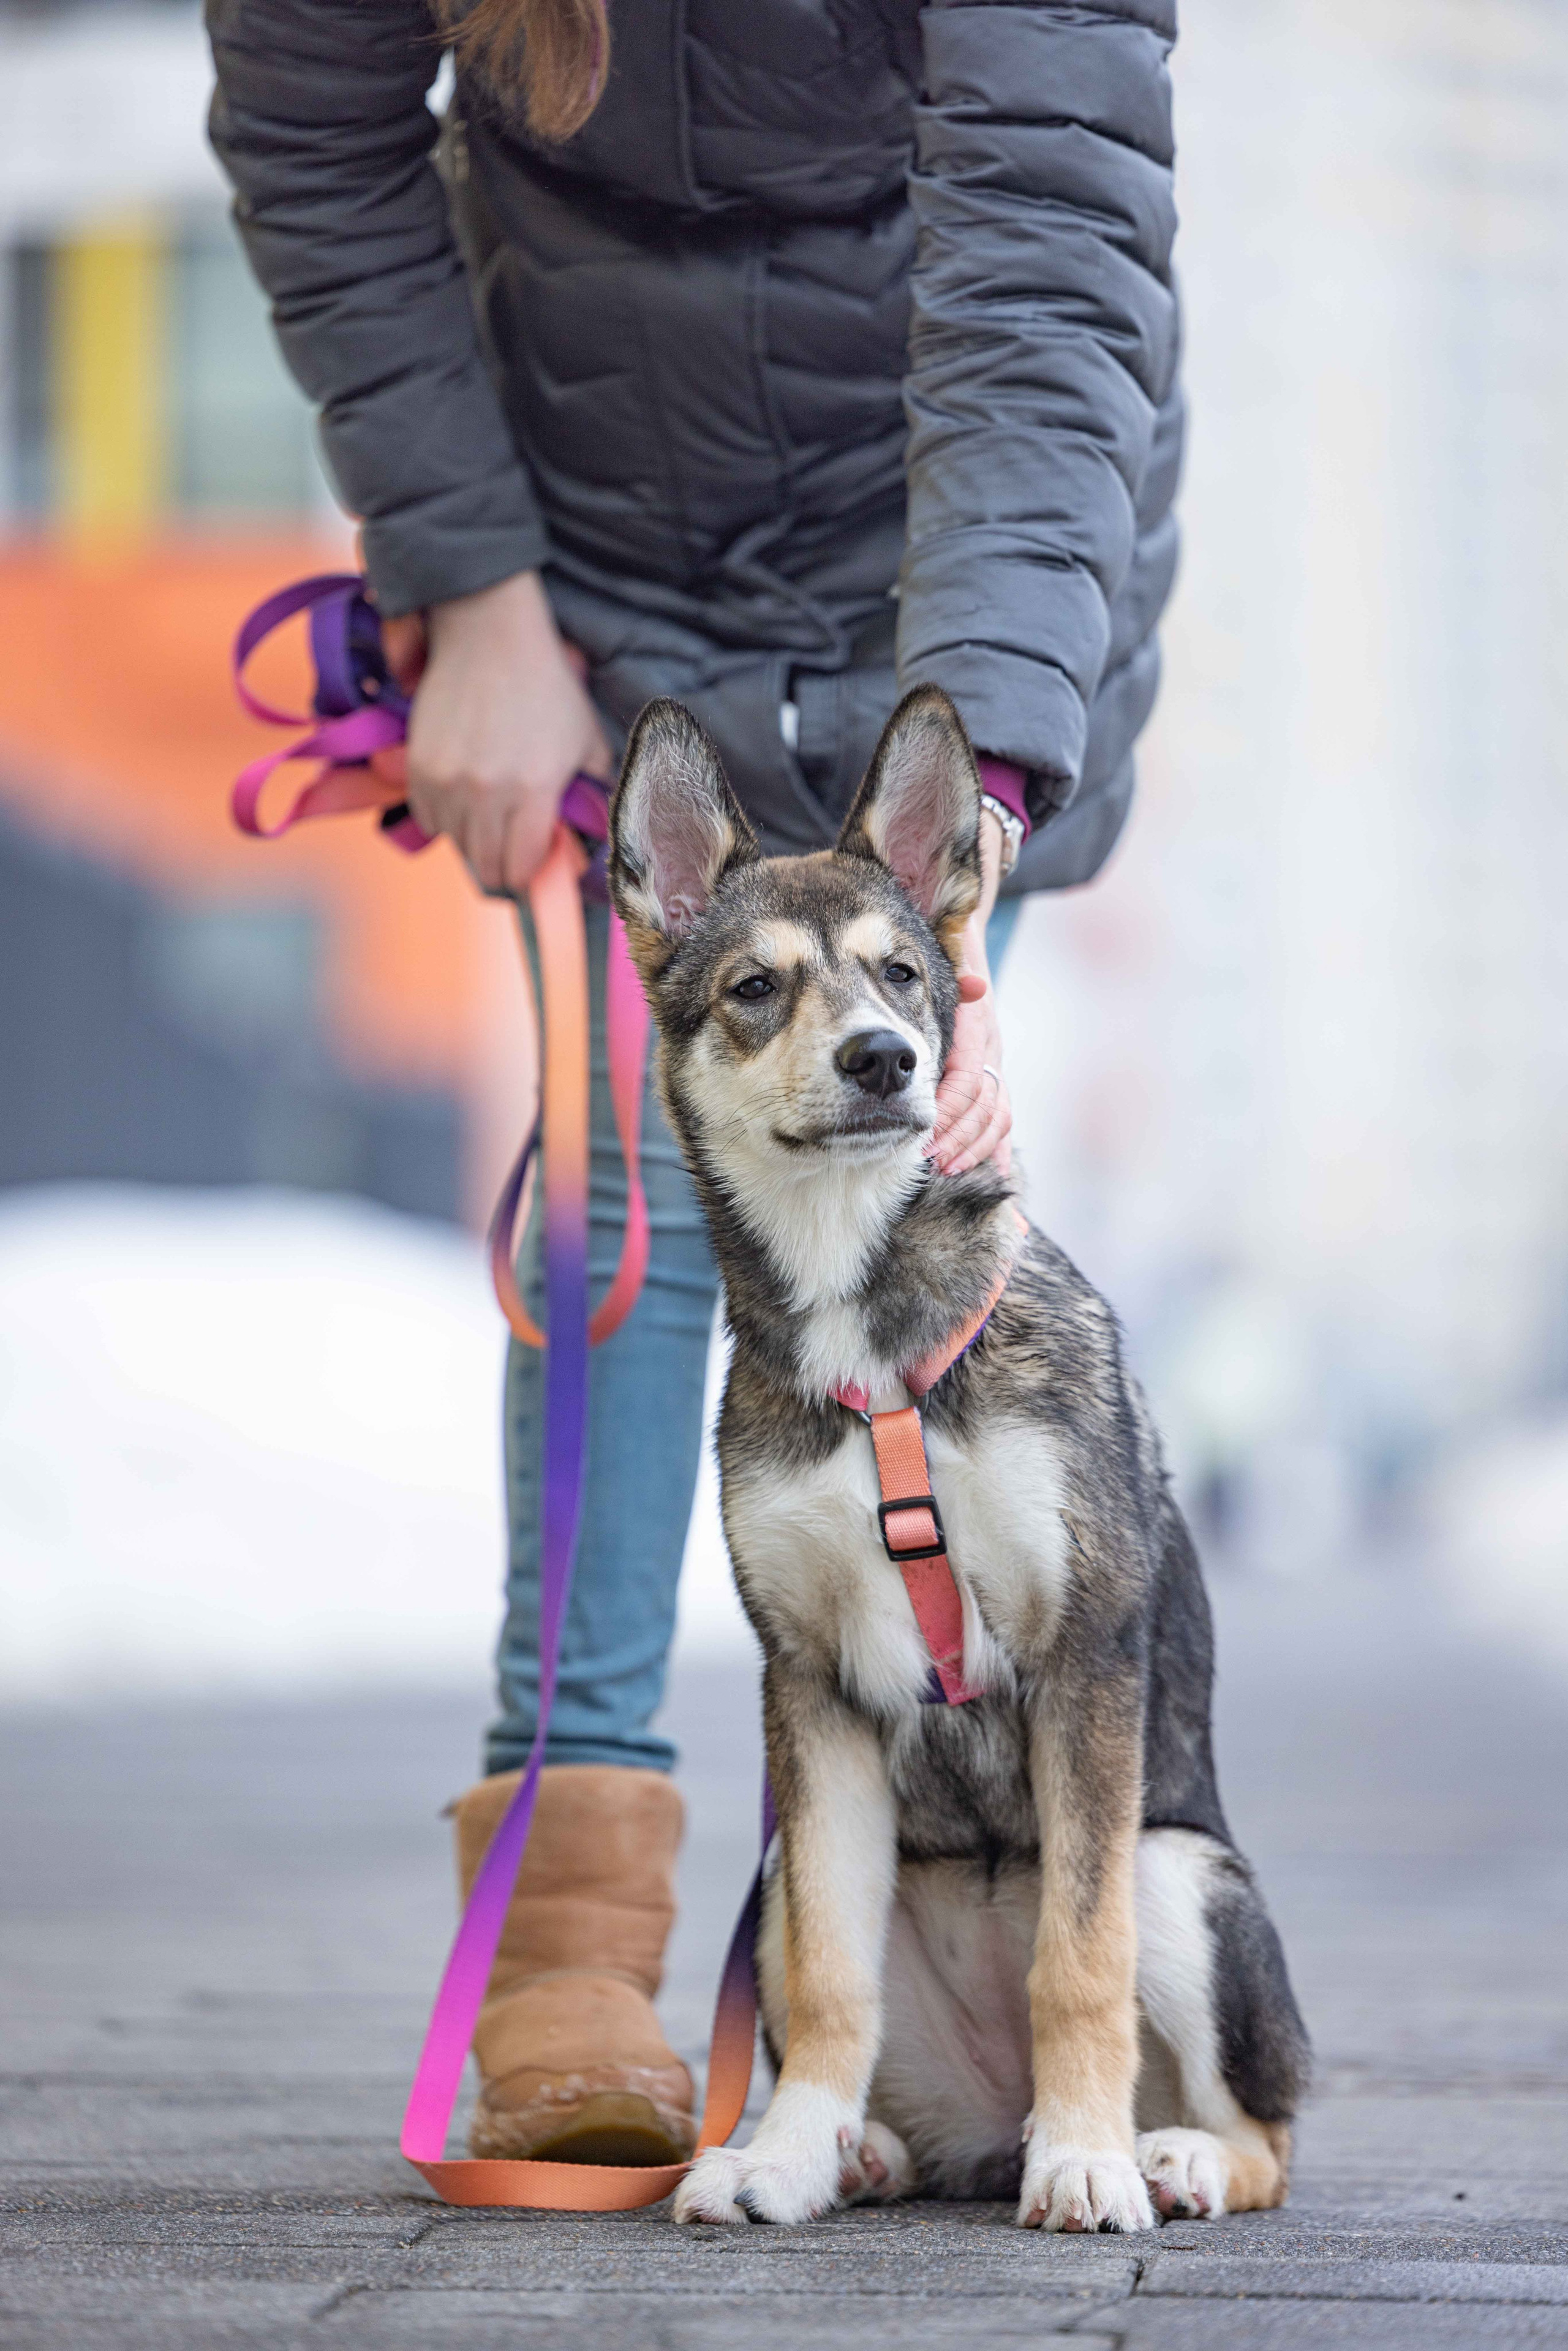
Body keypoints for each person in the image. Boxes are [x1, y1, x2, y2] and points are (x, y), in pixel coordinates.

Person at [207, 0, 1183, 2167]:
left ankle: (971, 1925)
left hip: (947, 510)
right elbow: (315, 136)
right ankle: (570, 1923)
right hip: (587, 523)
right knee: (632, 1206)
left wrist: (985, 807)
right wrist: (470, 584)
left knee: (923, 1196)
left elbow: (1050, 230)